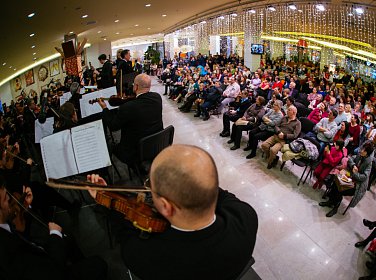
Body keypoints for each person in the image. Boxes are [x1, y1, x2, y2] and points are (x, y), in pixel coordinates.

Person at [87, 145, 258, 280]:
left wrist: (105, 198)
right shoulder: (246, 215)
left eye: (149, 185)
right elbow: (222, 194)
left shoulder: (141, 255)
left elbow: (122, 226)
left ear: (166, 206)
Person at [0, 176, 107, 280]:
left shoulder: (5, 225)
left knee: (69, 240)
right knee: (98, 264)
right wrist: (55, 234)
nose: (9, 198)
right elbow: (52, 273)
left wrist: (27, 207)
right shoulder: (8, 252)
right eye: (5, 199)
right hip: (52, 269)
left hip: (42, 259)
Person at [98, 73, 163, 164]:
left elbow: (113, 126)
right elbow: (140, 103)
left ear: (136, 87)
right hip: (157, 144)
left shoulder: (128, 107)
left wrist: (105, 108)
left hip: (136, 152)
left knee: (110, 145)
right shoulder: (157, 97)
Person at [319, 141, 374, 217]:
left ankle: (335, 208)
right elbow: (350, 158)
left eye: (364, 150)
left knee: (341, 188)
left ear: (367, 153)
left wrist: (355, 173)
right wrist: (353, 165)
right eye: (362, 149)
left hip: (357, 185)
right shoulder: (360, 155)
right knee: (336, 181)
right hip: (349, 177)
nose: (361, 150)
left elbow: (364, 177)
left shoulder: (369, 163)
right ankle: (330, 201)